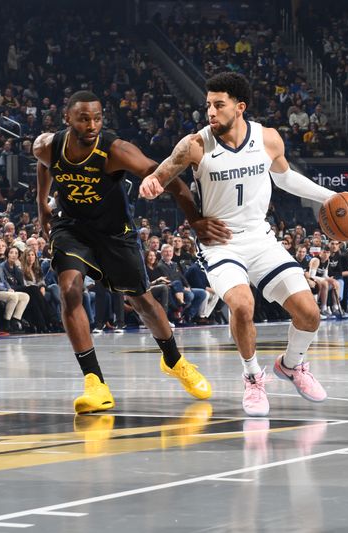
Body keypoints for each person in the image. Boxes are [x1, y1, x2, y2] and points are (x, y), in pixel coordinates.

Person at [139, 72, 346, 416]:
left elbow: (285, 178)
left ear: (240, 107)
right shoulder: (195, 144)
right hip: (221, 244)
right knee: (242, 304)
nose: (210, 112)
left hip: (261, 239)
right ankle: (252, 378)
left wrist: (330, 197)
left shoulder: (268, 139)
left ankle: (291, 365)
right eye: (208, 105)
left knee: (310, 313)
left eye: (218, 105)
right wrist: (151, 182)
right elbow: (162, 174)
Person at [33, 90, 222, 414]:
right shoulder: (48, 145)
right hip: (72, 228)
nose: (92, 125)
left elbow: (169, 179)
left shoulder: (115, 151)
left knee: (143, 302)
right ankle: (95, 382)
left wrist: (195, 220)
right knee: (69, 290)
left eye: (97, 118)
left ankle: (174, 360)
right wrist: (42, 205)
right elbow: (43, 164)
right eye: (83, 118)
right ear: (67, 119)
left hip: (114, 233)